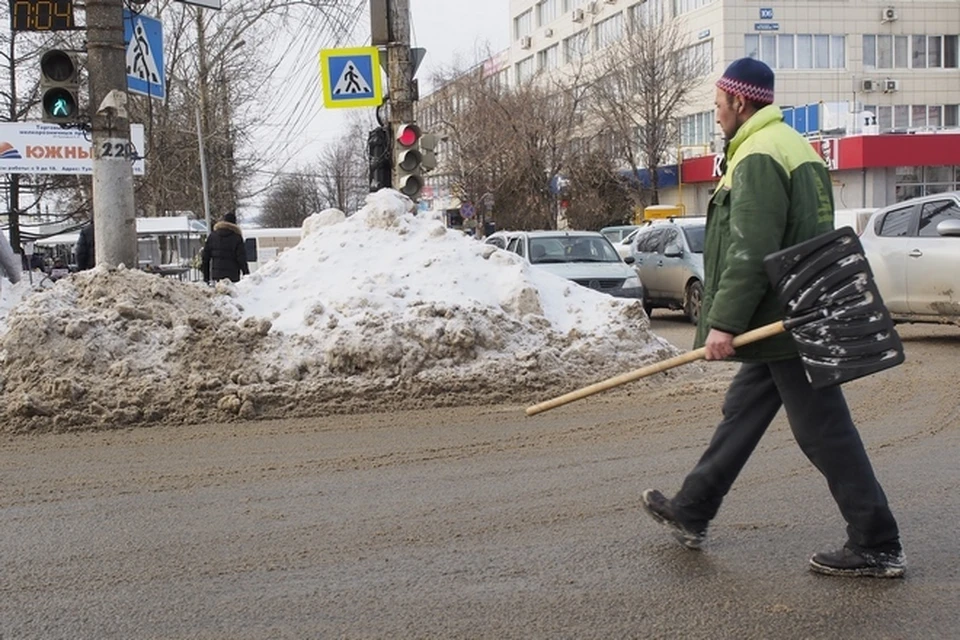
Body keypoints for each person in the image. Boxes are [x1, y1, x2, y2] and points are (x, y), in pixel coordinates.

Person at [640, 58, 904, 579]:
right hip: (787, 310)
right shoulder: (788, 145)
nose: (716, 117)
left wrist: (724, 322)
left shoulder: (759, 154)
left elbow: (751, 246)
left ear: (740, 102)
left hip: (781, 320)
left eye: (717, 107)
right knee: (742, 413)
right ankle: (693, 510)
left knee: (825, 432)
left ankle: (877, 543)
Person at [201, 211, 249, 284]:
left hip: (216, 277)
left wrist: (206, 278)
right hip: (233, 276)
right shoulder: (237, 237)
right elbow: (241, 258)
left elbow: (205, 258)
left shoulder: (212, 236)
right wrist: (247, 275)